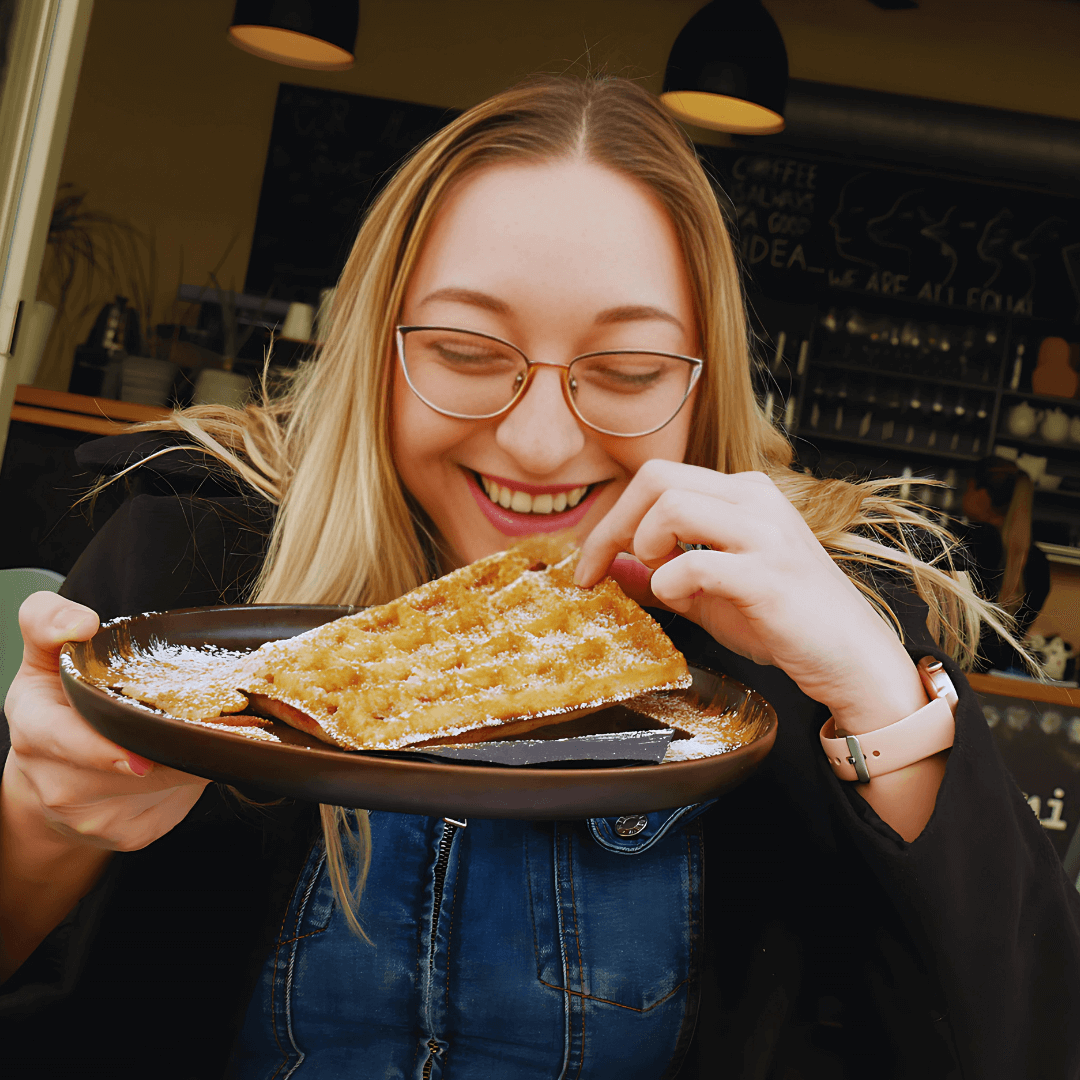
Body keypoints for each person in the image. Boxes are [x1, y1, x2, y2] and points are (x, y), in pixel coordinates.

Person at [2, 77, 1079, 1078]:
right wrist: (41, 826)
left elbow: (1022, 1040)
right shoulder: (181, 568)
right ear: (378, 345)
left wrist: (881, 704)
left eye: (627, 371)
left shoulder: (816, 649)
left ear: (706, 385)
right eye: (469, 352)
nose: (537, 441)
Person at [957, 455, 1051, 674]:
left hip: (951, 668)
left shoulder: (970, 542)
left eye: (968, 488)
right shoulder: (1038, 563)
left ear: (983, 495)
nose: (964, 495)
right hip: (995, 677)